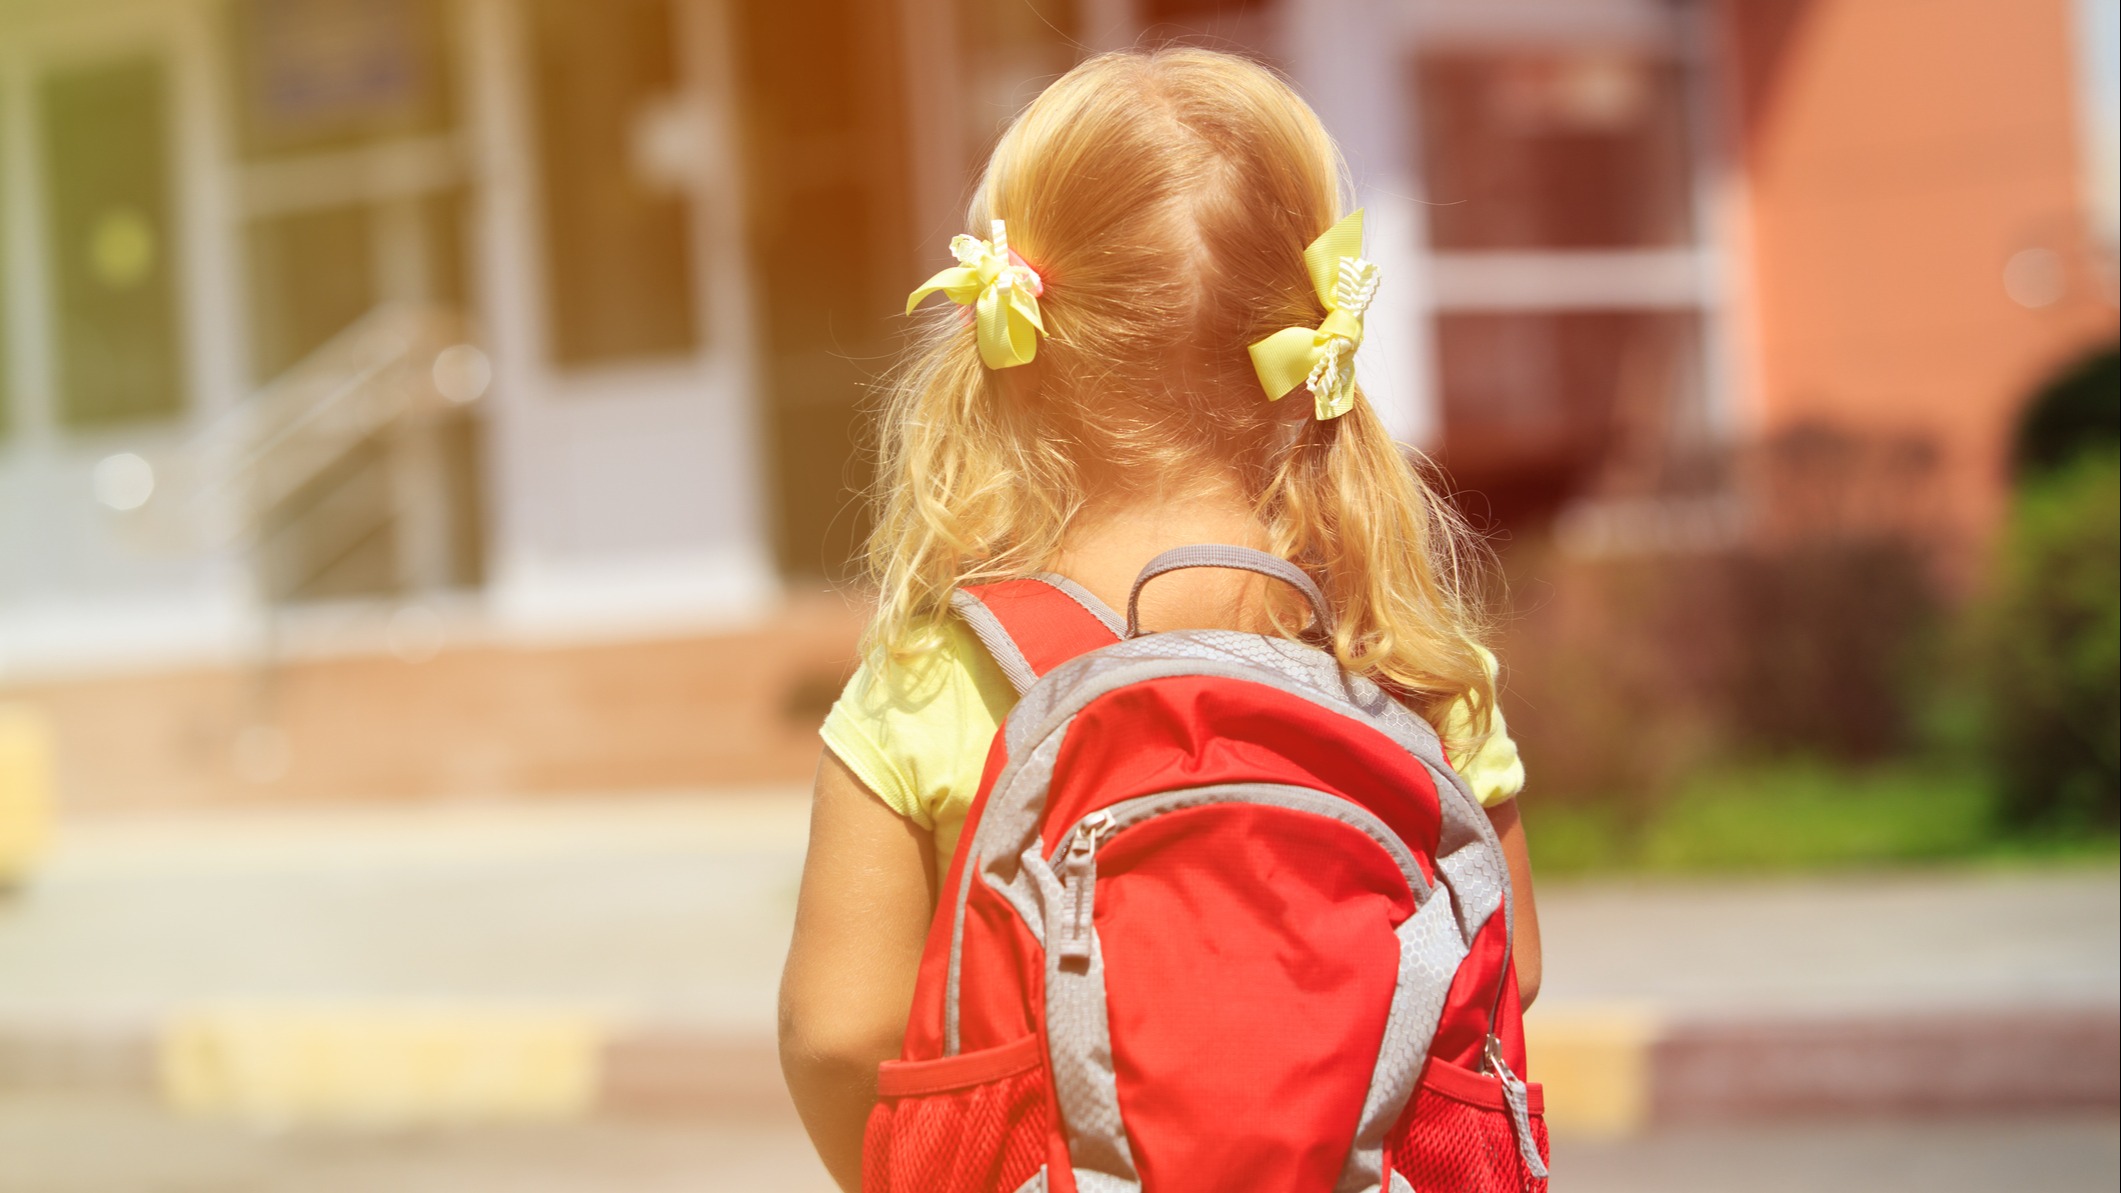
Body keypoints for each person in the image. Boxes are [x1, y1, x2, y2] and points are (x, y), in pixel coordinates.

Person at [778, 47, 1541, 1192]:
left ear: (1015, 338)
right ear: (1311, 325)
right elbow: (1508, 965)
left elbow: (838, 1031)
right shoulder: (1400, 648)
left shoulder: (935, 673)